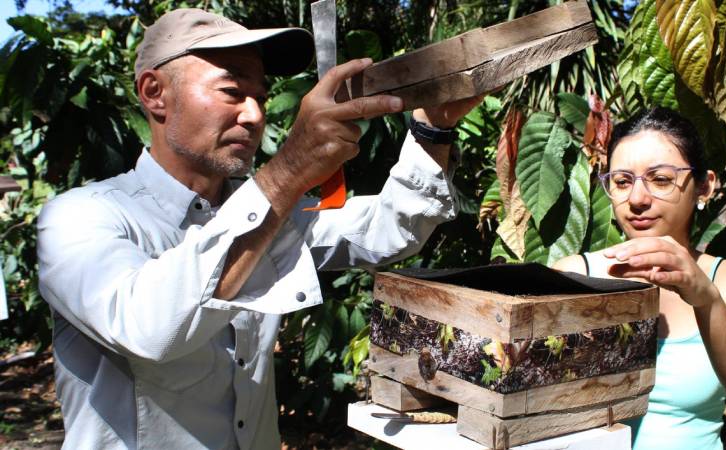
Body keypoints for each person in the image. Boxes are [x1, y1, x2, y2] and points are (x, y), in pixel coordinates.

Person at [37, 8, 483, 449]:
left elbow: (387, 229)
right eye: (232, 90)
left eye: (262, 97)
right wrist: (288, 170)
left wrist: (433, 128)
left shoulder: (271, 216)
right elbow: (149, 328)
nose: (254, 115)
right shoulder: (79, 217)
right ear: (155, 93)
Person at [553, 107, 726, 450]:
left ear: (704, 187)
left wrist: (706, 297)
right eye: (622, 182)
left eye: (661, 179)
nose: (638, 199)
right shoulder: (573, 276)